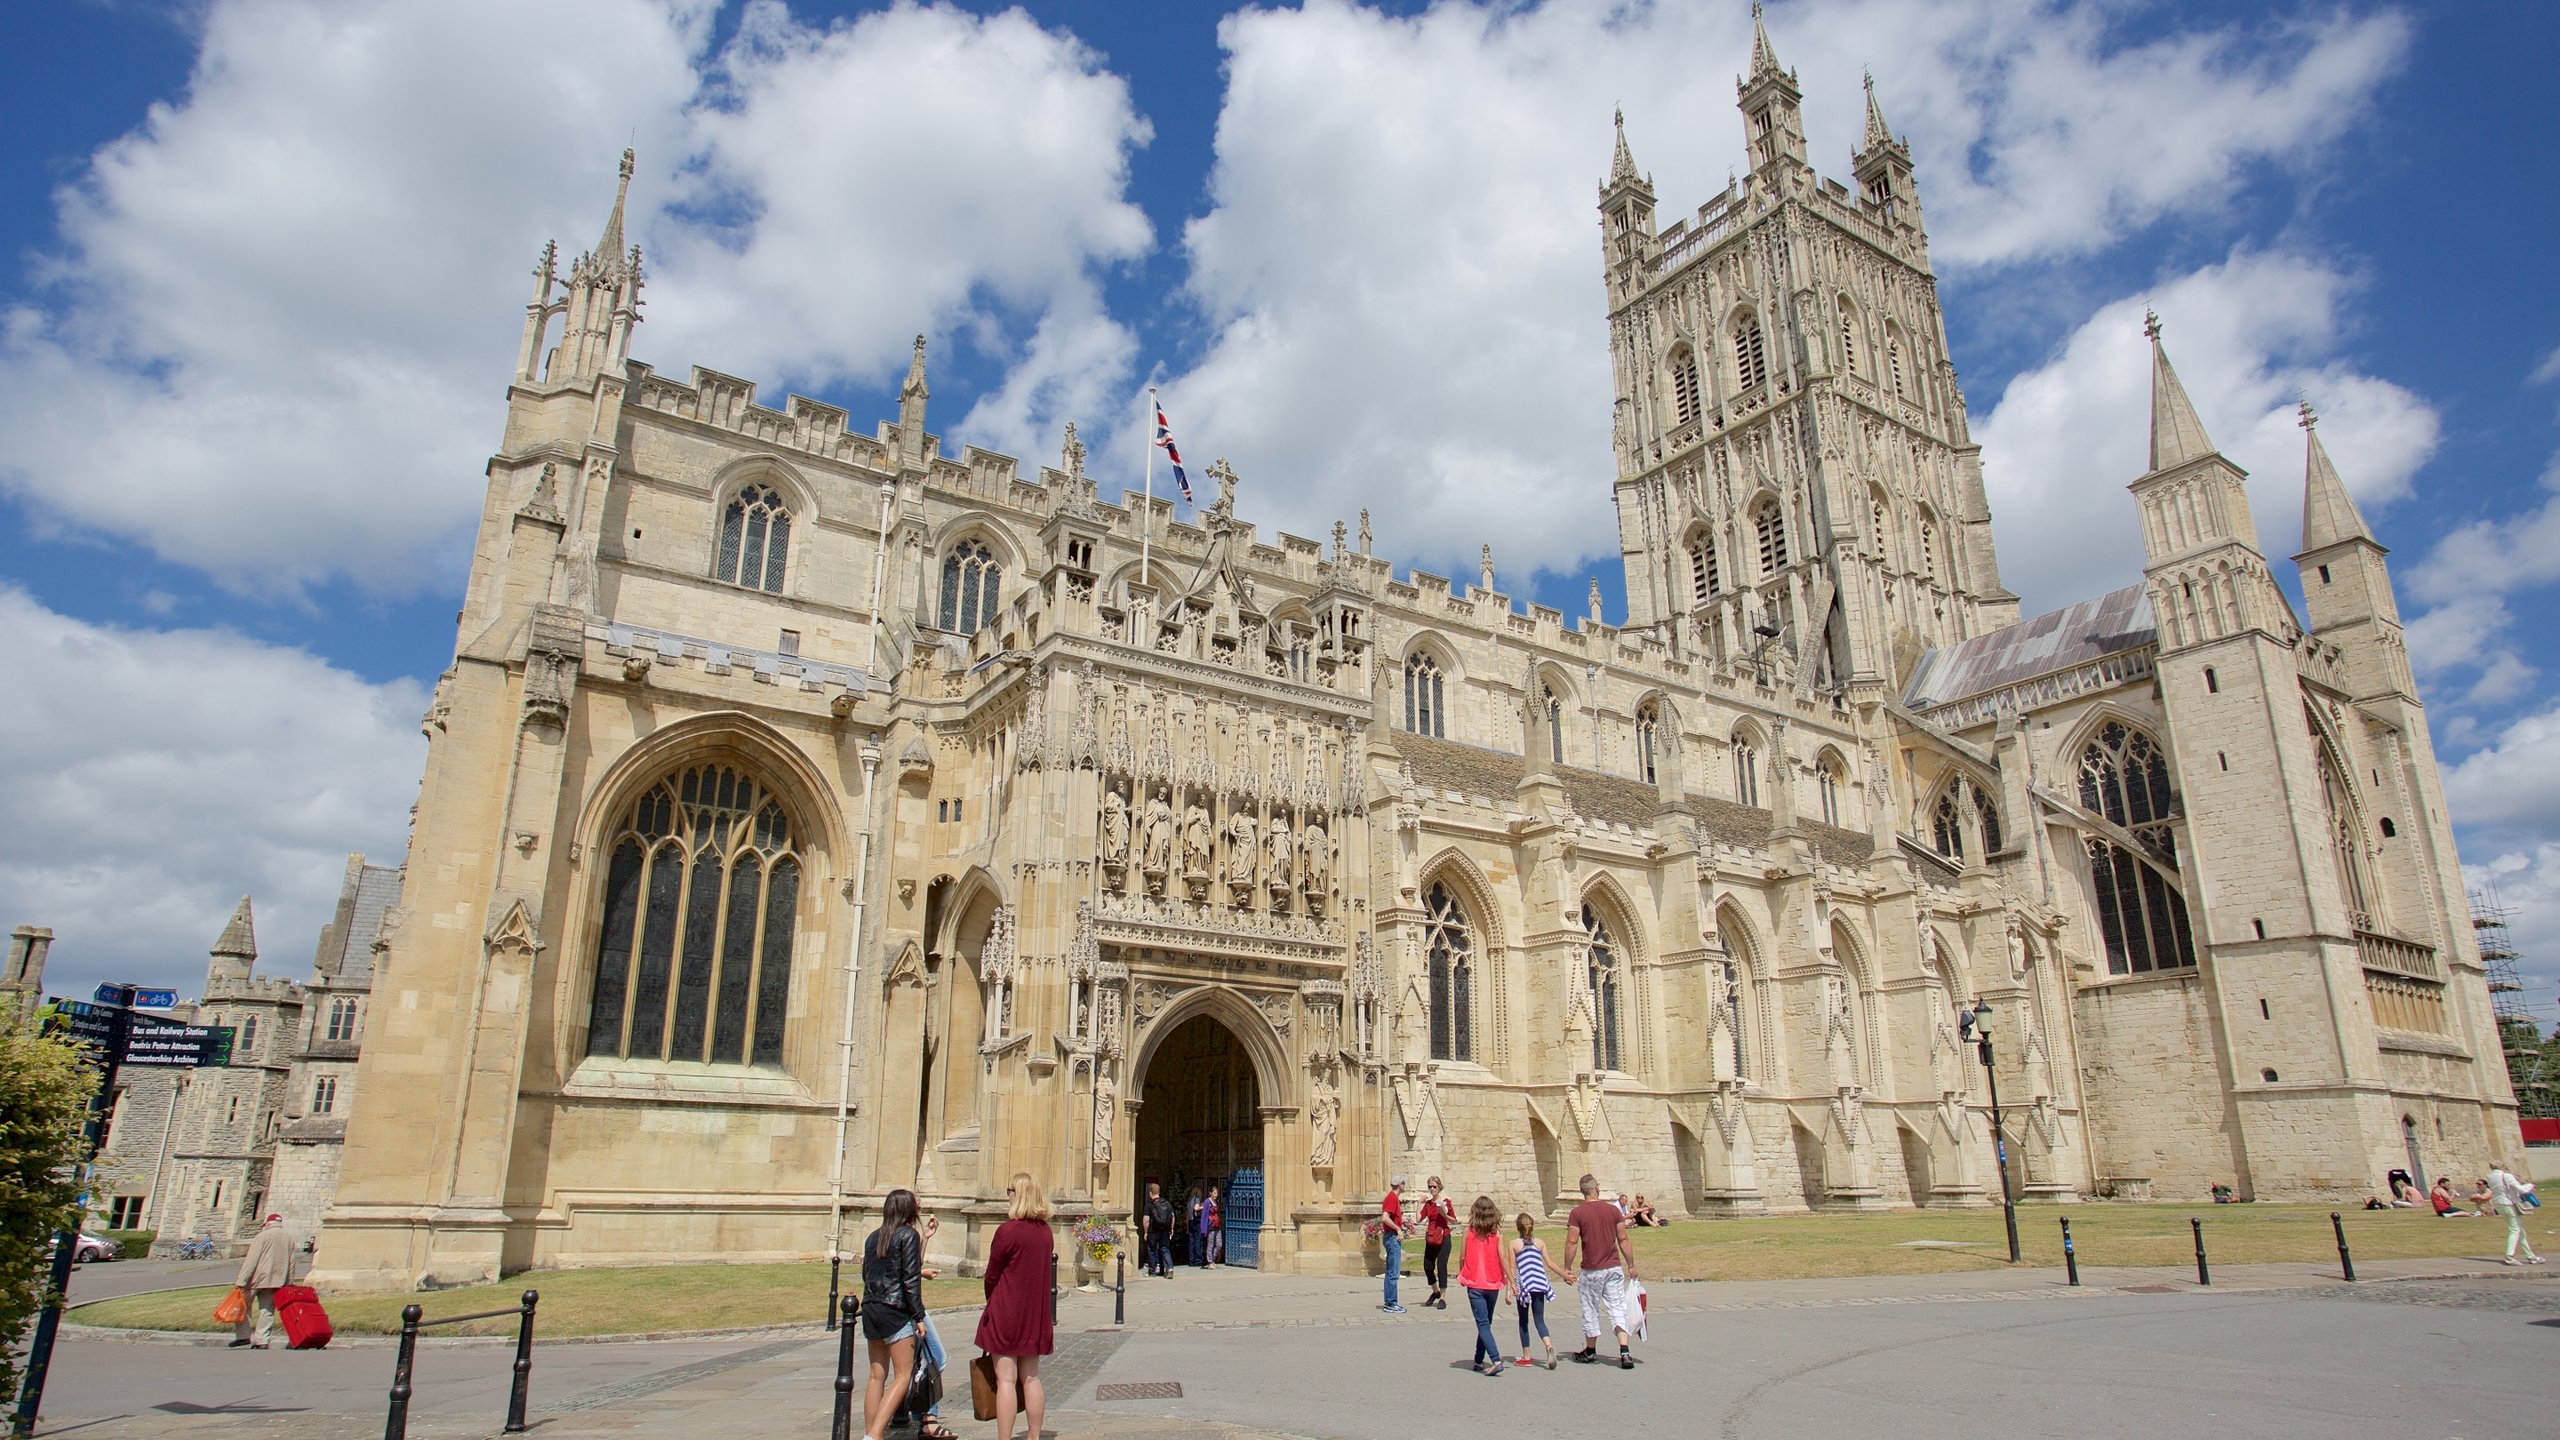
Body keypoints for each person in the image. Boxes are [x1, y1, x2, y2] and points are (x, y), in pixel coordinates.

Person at [977, 1172, 1057, 1440]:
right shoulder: (1045, 1233)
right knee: (1032, 1378)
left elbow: (991, 1275)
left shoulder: (1007, 1231)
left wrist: (993, 1300)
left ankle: (1005, 1438)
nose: (1007, 1194)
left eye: (1010, 1189)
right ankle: (1034, 1436)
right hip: (1035, 1312)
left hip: (1008, 1310)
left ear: (1018, 1194)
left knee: (1006, 1380)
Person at [858, 1188, 926, 1440]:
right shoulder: (909, 1235)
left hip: (871, 1308)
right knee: (903, 1375)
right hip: (895, 1310)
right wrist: (919, 1316)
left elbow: (866, 1274)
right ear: (909, 1210)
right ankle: (875, 1435)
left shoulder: (873, 1237)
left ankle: (870, 1432)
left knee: (877, 1375)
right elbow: (910, 1280)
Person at [1558, 1173, 1637, 1370]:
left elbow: (1572, 1242)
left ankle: (1591, 1351)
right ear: (1596, 1189)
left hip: (1592, 1269)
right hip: (1613, 1267)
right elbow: (1623, 1239)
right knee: (1617, 1307)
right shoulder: (1612, 1211)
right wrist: (1631, 1265)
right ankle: (1624, 1350)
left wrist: (1567, 1268)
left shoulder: (1577, 1213)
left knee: (1590, 1309)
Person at [906, 1216, 958, 1440]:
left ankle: (923, 1416)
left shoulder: (888, 1236)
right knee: (936, 1358)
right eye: (915, 1206)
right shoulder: (903, 1236)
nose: (918, 1212)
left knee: (914, 1365)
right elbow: (901, 1275)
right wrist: (920, 1274)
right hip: (911, 1309)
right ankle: (927, 1419)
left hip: (905, 1308)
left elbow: (908, 1267)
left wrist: (925, 1238)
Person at [1457, 1195, 1513, 1377]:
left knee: (1482, 1323)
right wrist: (1511, 1280)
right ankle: (1478, 1360)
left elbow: (1462, 1257)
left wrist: (1462, 1273)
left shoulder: (1469, 1232)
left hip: (1475, 1283)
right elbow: (1503, 1258)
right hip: (1492, 1283)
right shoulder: (1497, 1235)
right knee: (1486, 1323)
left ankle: (1496, 1359)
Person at [230, 1213, 295, 1350]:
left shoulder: (262, 1236)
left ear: (267, 1224)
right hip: (277, 1280)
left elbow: (251, 1261)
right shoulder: (288, 1238)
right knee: (267, 1310)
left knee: (243, 1306)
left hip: (257, 1279)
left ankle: (243, 1336)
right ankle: (262, 1340)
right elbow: (292, 1262)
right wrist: (289, 1281)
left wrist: (241, 1280)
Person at [1511, 1212, 1555, 1370]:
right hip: (1540, 1283)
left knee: (1524, 1321)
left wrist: (1510, 1289)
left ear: (1518, 1227)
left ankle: (1526, 1356)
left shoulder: (1514, 1244)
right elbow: (1549, 1263)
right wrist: (1565, 1275)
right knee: (1539, 1320)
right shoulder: (1540, 1243)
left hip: (1525, 1286)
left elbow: (1512, 1268)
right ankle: (1548, 1345)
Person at [2487, 1161, 2545, 1265]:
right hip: (2508, 1203)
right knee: (2515, 1229)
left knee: (2520, 1231)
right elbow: (2522, 1190)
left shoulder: (2491, 1176)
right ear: (2503, 1167)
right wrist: (2530, 1185)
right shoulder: (2506, 1176)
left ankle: (2531, 1256)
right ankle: (2509, 1256)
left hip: (2499, 1204)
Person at [1419, 1177, 1457, 1309]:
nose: (1432, 1189)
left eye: (1434, 1186)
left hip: (1444, 1236)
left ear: (1439, 1187)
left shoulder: (1445, 1202)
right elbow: (1419, 1219)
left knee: (1441, 1266)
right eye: (1430, 1186)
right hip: (1431, 1237)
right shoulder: (1429, 1204)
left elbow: (1454, 1220)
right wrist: (1419, 1203)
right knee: (1427, 1266)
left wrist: (1444, 1214)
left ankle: (1442, 1297)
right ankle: (1435, 1291)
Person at [1378, 1177, 1411, 1313]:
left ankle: (1389, 1302)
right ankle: (1391, 1303)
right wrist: (1398, 1229)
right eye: (1404, 1183)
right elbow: (1385, 1217)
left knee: (1391, 1272)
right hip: (1392, 1237)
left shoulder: (1393, 1198)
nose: (1405, 1186)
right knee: (1393, 1272)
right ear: (1400, 1185)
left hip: (1391, 1236)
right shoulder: (1392, 1198)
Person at [1142, 1180, 1175, 1276]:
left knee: (1152, 1250)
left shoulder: (1149, 1205)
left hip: (1153, 1230)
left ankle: (1152, 1271)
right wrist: (1171, 1229)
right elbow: (1172, 1217)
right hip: (1164, 1230)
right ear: (1159, 1192)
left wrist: (1145, 1232)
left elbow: (1146, 1220)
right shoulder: (1166, 1203)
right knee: (1164, 1249)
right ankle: (1169, 1268)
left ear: (1150, 1193)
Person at [1190, 1183, 1213, 1268]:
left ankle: (1191, 1260)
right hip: (1196, 1222)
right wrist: (1204, 1207)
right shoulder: (1197, 1200)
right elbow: (1196, 1208)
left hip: (1190, 1221)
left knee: (1191, 1242)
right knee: (1198, 1241)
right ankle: (1198, 1261)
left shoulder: (1190, 1201)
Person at [1203, 1184, 1224, 1266]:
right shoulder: (1207, 1202)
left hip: (1217, 1225)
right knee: (1210, 1244)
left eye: (1217, 1193)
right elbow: (1204, 1215)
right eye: (1214, 1193)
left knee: (1219, 1244)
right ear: (1210, 1193)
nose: (1216, 1195)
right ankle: (1209, 1261)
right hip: (1211, 1225)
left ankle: (1213, 1258)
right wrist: (1204, 1227)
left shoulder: (1216, 1202)